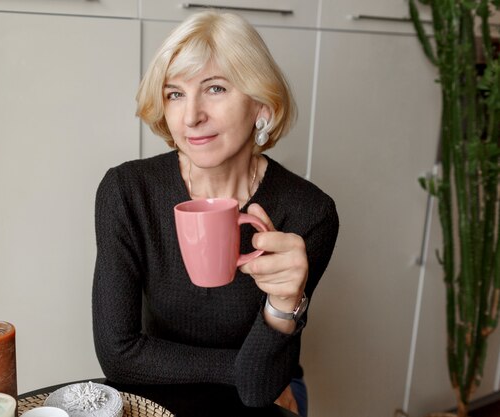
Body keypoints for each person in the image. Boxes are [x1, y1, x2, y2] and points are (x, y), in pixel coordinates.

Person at [92, 11, 339, 417]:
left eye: (215, 88)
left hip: (262, 392)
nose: (191, 117)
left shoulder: (310, 213)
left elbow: (261, 388)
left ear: (262, 104)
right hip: (157, 390)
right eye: (174, 94)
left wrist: (283, 302)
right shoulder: (126, 192)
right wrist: (240, 369)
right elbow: (119, 355)